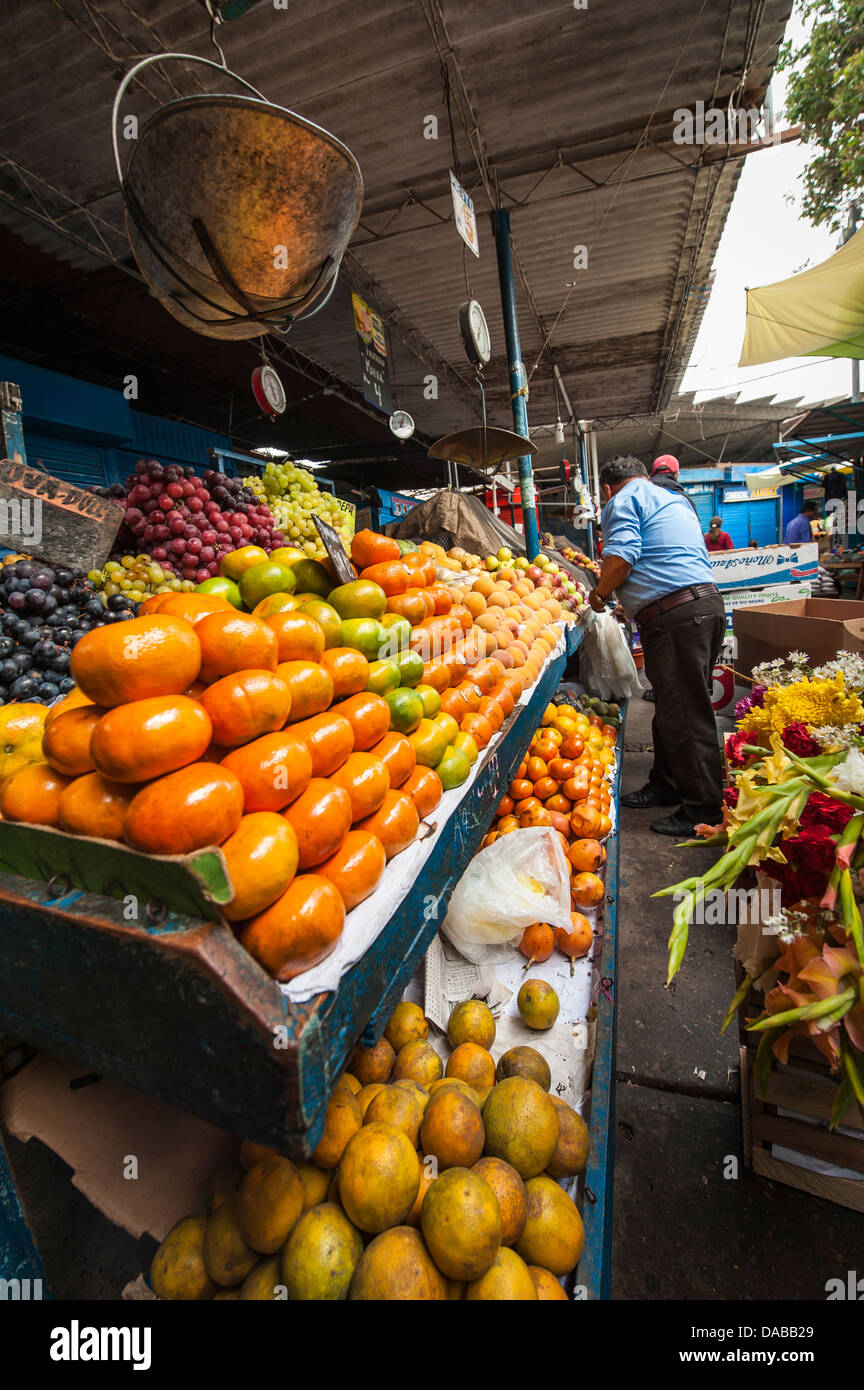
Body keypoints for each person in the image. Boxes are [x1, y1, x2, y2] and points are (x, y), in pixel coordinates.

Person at [587, 455, 725, 836]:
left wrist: (600, 595)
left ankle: (704, 809)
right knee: (673, 706)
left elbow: (622, 559)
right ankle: (666, 783)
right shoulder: (671, 499)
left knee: (685, 712)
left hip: (676, 618)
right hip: (704, 607)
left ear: (606, 488)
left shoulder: (623, 500)